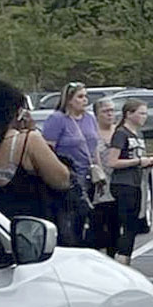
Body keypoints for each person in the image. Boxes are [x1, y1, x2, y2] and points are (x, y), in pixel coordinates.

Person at [0, 82, 71, 224]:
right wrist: (34, 131)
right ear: (16, 112)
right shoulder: (27, 140)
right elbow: (62, 180)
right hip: (25, 231)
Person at [39, 85, 99, 247]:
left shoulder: (90, 118)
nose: (84, 100)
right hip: (69, 177)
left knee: (87, 218)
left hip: (88, 175)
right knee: (70, 221)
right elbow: (48, 149)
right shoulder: (57, 119)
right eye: (80, 97)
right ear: (69, 100)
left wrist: (99, 170)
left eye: (85, 96)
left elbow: (94, 146)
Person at [102, 102, 153, 265]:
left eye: (145, 114)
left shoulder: (138, 135)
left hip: (137, 183)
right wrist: (138, 161)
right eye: (141, 113)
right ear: (128, 114)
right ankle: (120, 260)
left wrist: (145, 163)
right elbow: (112, 161)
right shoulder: (121, 134)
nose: (144, 117)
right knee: (125, 225)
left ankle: (125, 259)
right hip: (123, 184)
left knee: (133, 225)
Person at [89, 97, 121, 253]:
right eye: (105, 111)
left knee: (116, 227)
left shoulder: (120, 133)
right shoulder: (92, 134)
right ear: (96, 114)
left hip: (118, 185)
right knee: (99, 226)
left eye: (112, 110)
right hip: (99, 187)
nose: (110, 114)